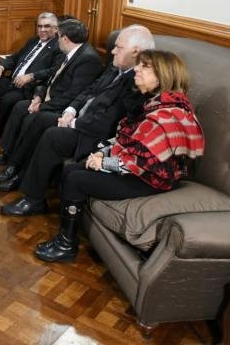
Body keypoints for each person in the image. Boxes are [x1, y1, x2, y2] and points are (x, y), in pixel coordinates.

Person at [35, 50, 205, 262]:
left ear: (162, 76)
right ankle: (67, 236)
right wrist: (102, 151)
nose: (137, 69)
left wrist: (104, 162)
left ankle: (66, 245)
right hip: (140, 170)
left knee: (76, 179)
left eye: (144, 67)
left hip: (152, 180)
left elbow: (143, 163)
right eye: (139, 65)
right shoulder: (154, 103)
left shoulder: (167, 114)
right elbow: (126, 140)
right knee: (71, 169)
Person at [0, 25, 155, 216]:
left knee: (53, 136)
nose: (113, 51)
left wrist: (73, 123)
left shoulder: (136, 82)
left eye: (118, 47)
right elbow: (89, 90)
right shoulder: (116, 67)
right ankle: (18, 171)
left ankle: (34, 200)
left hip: (94, 134)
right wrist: (70, 111)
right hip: (81, 120)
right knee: (40, 119)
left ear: (136, 52)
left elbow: (107, 122)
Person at [0, 19, 102, 189]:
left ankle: (17, 169)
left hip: (63, 109)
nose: (56, 39)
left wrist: (41, 107)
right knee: (20, 107)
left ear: (65, 39)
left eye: (58, 36)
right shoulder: (69, 52)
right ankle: (8, 157)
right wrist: (38, 97)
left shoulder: (88, 60)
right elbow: (50, 80)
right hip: (49, 100)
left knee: (32, 119)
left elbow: (74, 95)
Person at [0, 12, 63, 138]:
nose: (42, 30)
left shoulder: (58, 46)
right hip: (12, 80)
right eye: (40, 26)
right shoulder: (33, 41)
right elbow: (15, 57)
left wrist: (31, 76)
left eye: (47, 26)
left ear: (55, 29)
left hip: (29, 86)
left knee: (8, 99)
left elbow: (54, 70)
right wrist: (1, 66)